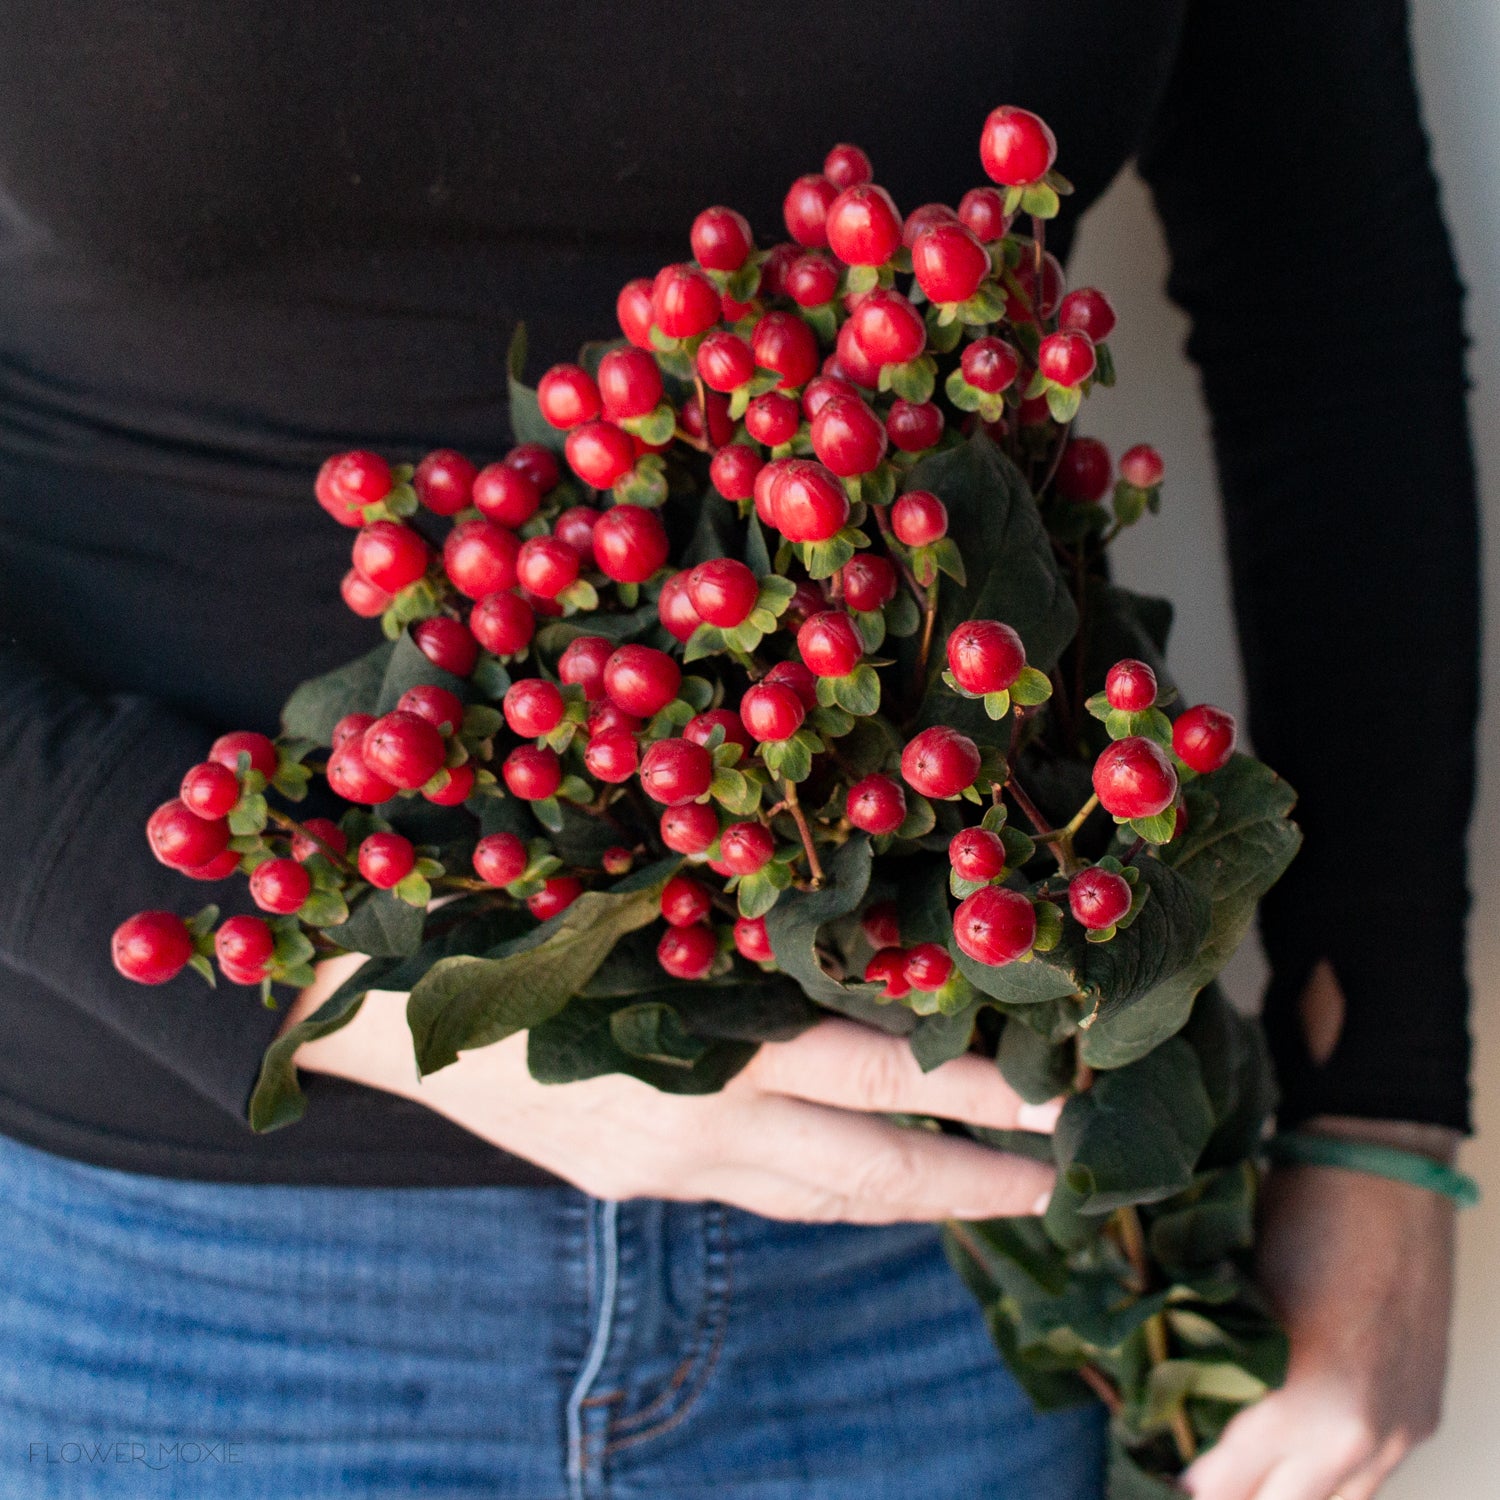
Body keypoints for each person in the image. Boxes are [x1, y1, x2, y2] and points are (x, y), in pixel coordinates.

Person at [0, 3, 1477, 1498]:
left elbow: (1335, 336)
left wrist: (1386, 1111)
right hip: (170, 1260)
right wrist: (349, 985)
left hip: (947, 1244)